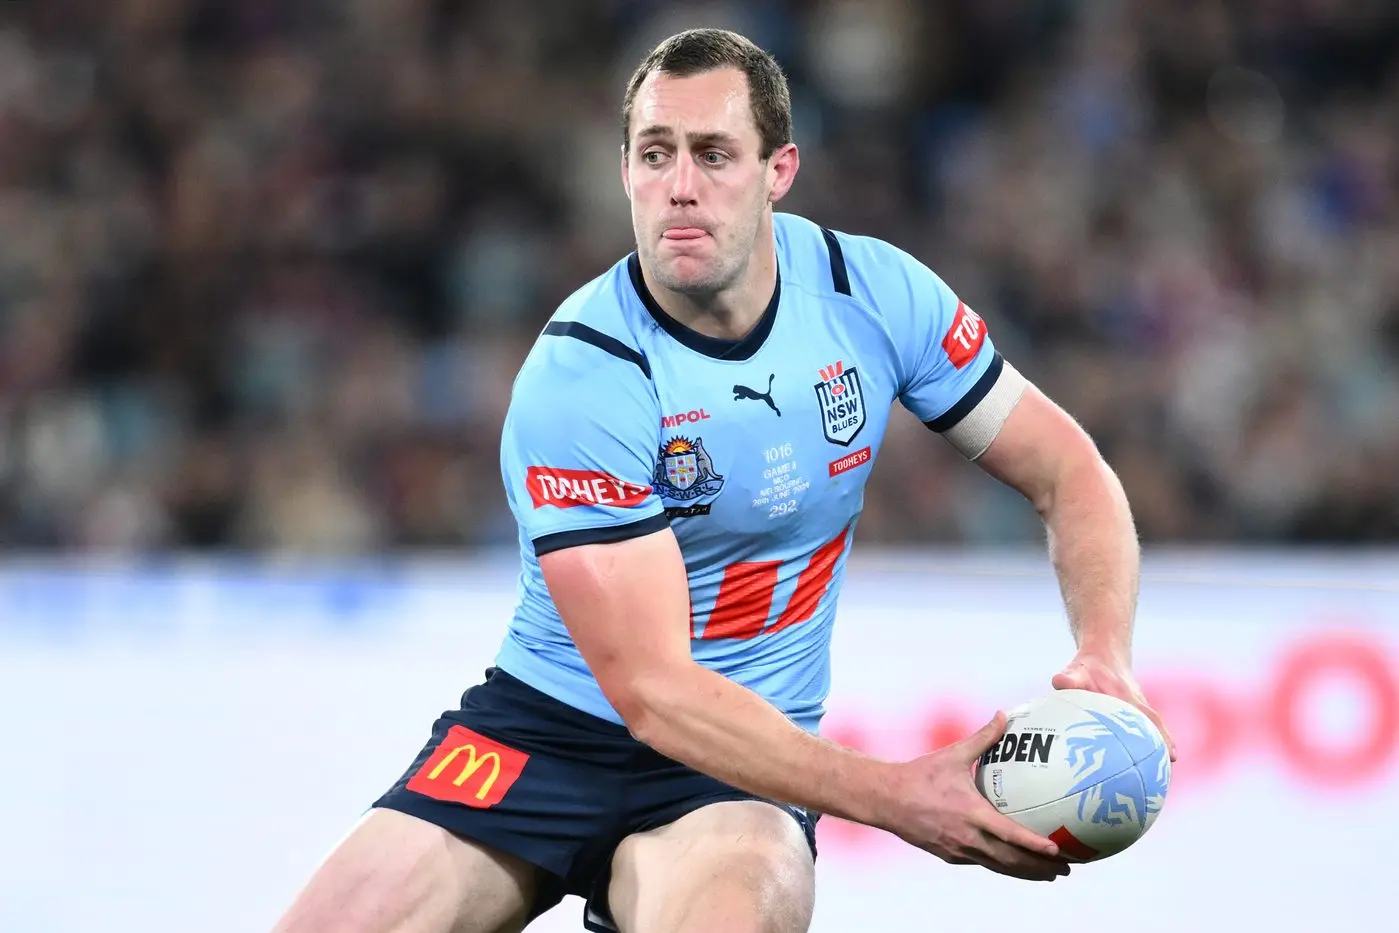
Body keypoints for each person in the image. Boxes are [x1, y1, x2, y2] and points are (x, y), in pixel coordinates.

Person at [272, 27, 1176, 933]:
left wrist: (1103, 651)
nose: (680, 185)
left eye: (712, 154)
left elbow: (1069, 471)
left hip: (736, 771)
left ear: (778, 170)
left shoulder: (873, 296)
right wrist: (896, 794)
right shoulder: (583, 375)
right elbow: (652, 692)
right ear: (624, 171)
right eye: (654, 154)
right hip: (545, 730)